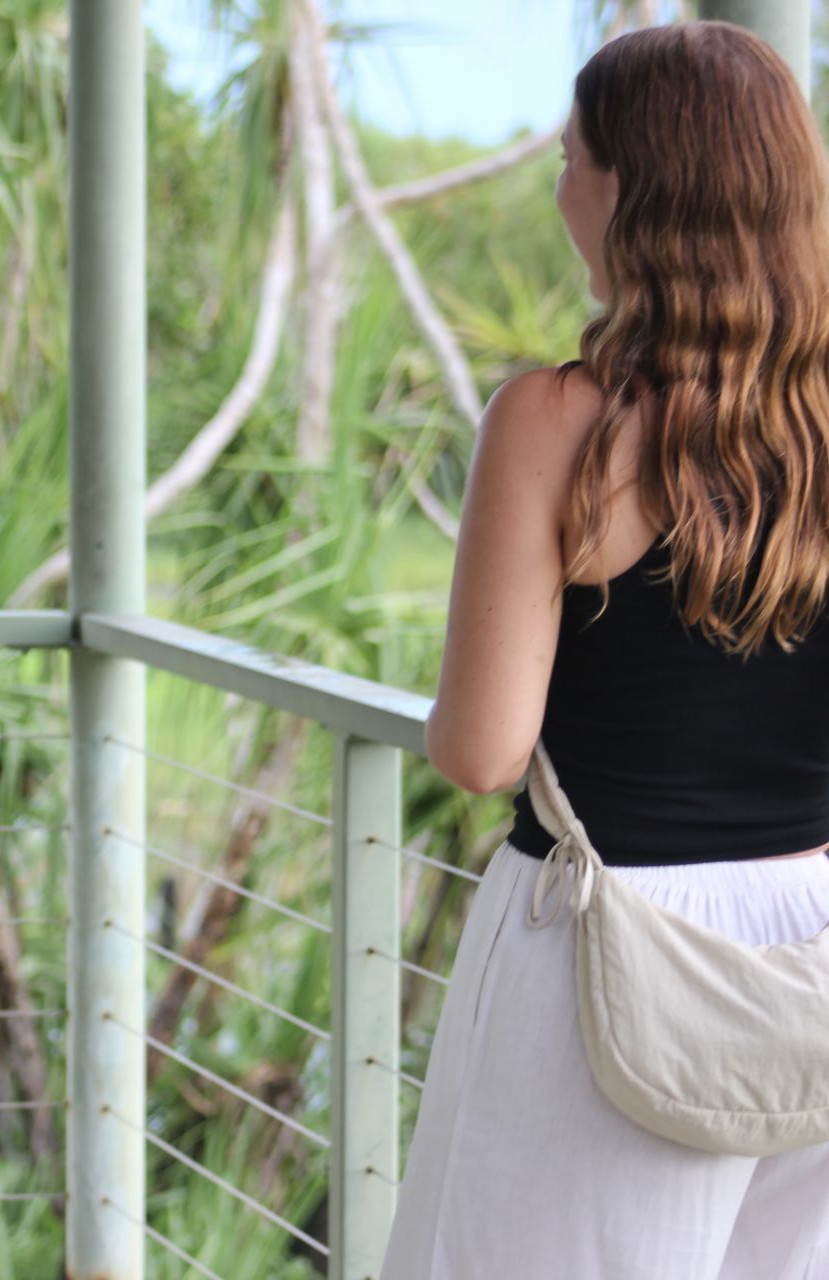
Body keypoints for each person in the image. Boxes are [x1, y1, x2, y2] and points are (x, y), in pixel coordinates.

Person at [382, 23, 829, 1280]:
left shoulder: (556, 421)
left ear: (634, 190)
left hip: (607, 952)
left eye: (574, 157)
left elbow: (478, 749)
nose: (559, 185)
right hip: (809, 935)